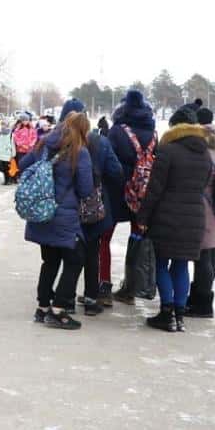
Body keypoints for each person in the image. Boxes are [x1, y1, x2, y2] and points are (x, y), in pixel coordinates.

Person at [136, 107, 212, 332]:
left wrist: (143, 216)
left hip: (166, 216)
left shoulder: (168, 151)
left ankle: (166, 313)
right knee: (181, 264)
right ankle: (179, 316)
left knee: (160, 262)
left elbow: (155, 189)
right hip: (195, 217)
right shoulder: (205, 154)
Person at [21, 112, 94, 330]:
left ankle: (42, 308)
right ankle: (59, 310)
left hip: (41, 212)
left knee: (50, 261)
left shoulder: (44, 143)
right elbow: (85, 189)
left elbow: (24, 164)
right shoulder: (79, 153)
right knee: (75, 259)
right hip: (64, 215)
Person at [104, 89, 157, 305]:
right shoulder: (153, 134)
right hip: (144, 194)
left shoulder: (117, 131)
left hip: (117, 192)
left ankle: (103, 287)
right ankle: (131, 289)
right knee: (137, 239)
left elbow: (108, 162)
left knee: (104, 238)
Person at [78, 122, 124, 315]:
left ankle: (62, 300)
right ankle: (91, 298)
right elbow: (117, 171)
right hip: (95, 203)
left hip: (69, 204)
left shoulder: (62, 141)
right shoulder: (101, 142)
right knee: (93, 250)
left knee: (70, 253)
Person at [188, 107, 215, 318]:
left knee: (203, 255)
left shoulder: (202, 146)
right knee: (210, 255)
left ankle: (202, 302)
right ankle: (202, 297)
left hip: (205, 206)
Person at [0, 120, 16, 185]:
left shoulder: (10, 134)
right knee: (2, 168)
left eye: (4, 124)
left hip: (8, 153)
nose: (3, 126)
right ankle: (6, 180)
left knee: (7, 168)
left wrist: (13, 153)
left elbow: (12, 143)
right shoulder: (0, 133)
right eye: (2, 124)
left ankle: (8, 180)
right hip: (1, 152)